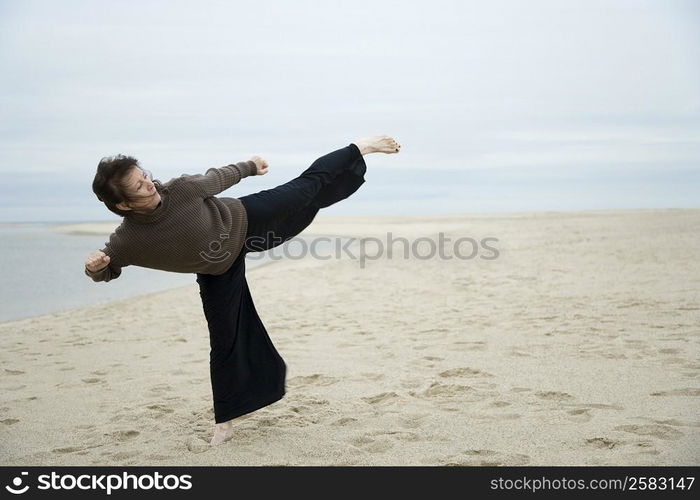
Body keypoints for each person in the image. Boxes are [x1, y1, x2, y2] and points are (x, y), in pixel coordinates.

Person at [84, 135, 401, 445]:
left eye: (145, 177)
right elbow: (108, 270)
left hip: (246, 220)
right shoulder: (128, 240)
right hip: (218, 269)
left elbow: (217, 178)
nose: (150, 184)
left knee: (307, 189)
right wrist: (95, 268)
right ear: (123, 204)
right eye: (139, 186)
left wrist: (250, 166)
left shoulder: (180, 190)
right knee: (224, 340)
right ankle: (225, 422)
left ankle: (361, 147)